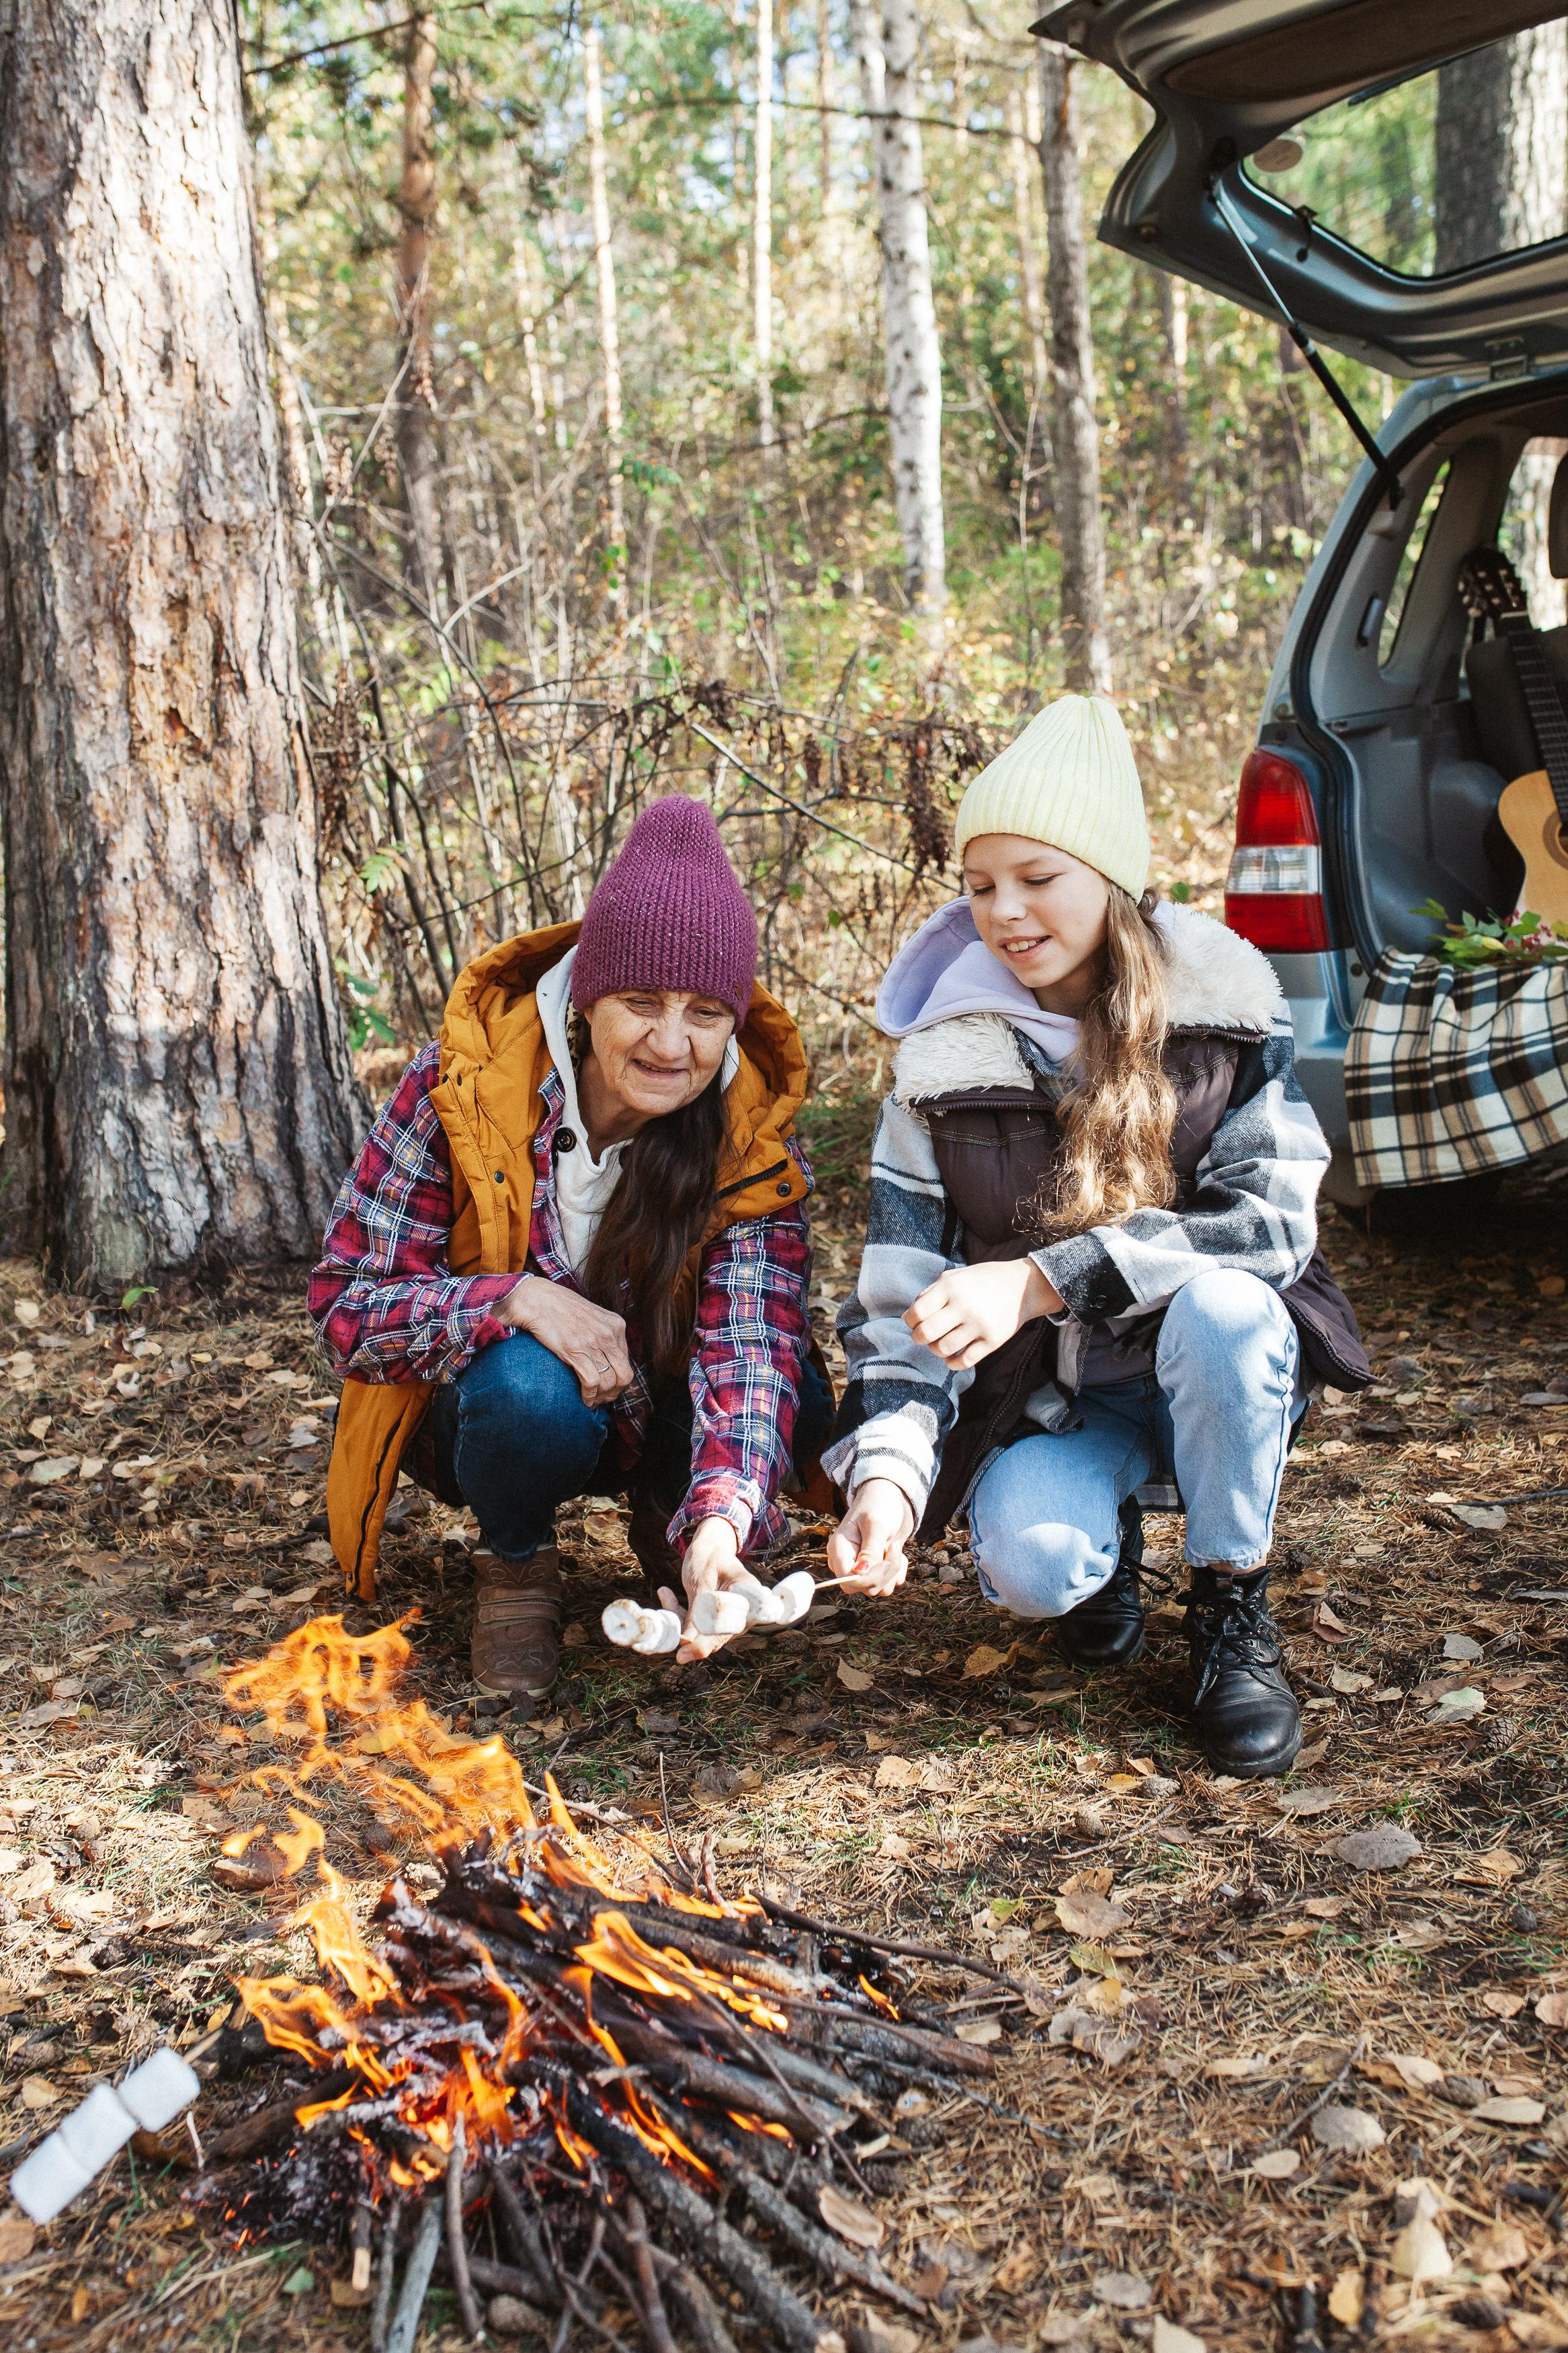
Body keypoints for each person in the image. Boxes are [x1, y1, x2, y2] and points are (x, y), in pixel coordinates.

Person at [816, 695, 1368, 1778]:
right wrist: (884, 1476)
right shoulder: (939, 1061)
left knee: (1221, 1307)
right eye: (979, 886)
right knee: (1031, 1569)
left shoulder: (1226, 1018)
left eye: (1037, 878)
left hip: (1210, 1371)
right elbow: (897, 1296)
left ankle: (1228, 1602)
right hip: (1054, 1400)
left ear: (1110, 880)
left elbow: (1268, 1226)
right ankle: (1097, 1544)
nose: (1005, 912)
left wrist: (1037, 1279)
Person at [311, 797, 828, 1702]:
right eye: (641, 1003)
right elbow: (348, 1309)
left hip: (663, 1400)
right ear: (587, 1001)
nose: (672, 1043)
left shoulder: (751, 1139)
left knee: (802, 1384)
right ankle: (516, 1564)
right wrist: (510, 1299)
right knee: (521, 1385)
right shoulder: (459, 1088)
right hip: (500, 1420)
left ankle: (678, 1533)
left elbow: (749, 1346)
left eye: (706, 1012)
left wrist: (723, 1515)